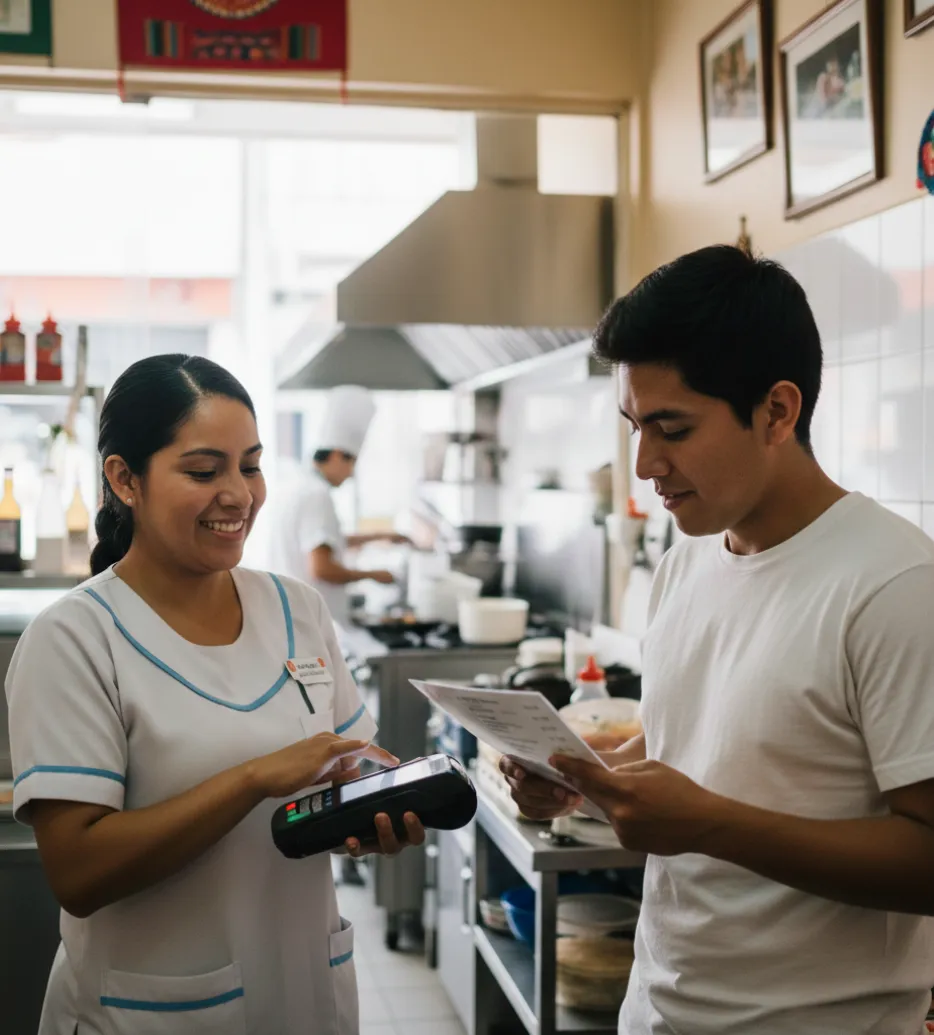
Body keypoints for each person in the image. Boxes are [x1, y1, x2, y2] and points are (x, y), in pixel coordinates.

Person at [500, 246, 934, 1034]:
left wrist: (707, 823)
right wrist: (586, 778)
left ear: (777, 411)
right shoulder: (685, 563)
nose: (645, 464)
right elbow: (699, 749)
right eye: (635, 426)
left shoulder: (895, 584)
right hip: (657, 1009)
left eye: (672, 428)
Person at [5, 355, 425, 1035]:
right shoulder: (76, 637)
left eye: (250, 466)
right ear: (125, 479)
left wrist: (368, 811)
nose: (238, 495)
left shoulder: (297, 609)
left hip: (304, 995)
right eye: (204, 472)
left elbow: (346, 766)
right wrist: (252, 779)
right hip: (151, 1012)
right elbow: (78, 872)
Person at [273, 385, 408, 635]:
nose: (352, 473)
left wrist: (379, 536)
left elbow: (325, 542)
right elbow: (322, 568)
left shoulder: (298, 486)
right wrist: (373, 575)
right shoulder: (317, 495)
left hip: (295, 617)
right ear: (336, 456)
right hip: (312, 623)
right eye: (352, 462)